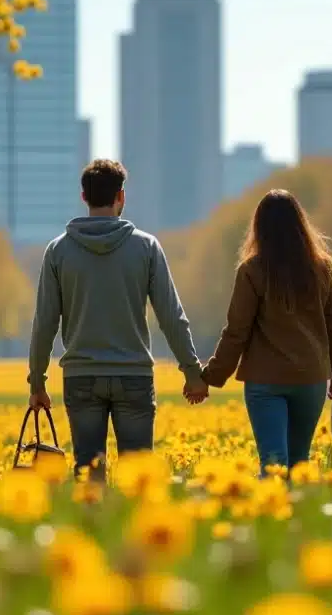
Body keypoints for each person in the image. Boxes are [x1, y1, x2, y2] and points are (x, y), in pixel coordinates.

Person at [26, 159, 209, 480]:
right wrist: (192, 372)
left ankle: (93, 528)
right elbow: (171, 316)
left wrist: (37, 381)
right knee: (139, 478)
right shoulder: (146, 247)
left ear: (84, 197)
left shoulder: (58, 251)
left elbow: (44, 323)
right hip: (133, 376)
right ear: (120, 196)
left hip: (81, 377)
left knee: (89, 473)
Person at [201, 189, 332, 473]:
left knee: (272, 463)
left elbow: (237, 332)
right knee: (299, 463)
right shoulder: (322, 268)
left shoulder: (252, 270)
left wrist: (211, 376)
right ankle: (296, 515)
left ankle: (270, 514)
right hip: (311, 379)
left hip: (265, 382)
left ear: (259, 227)